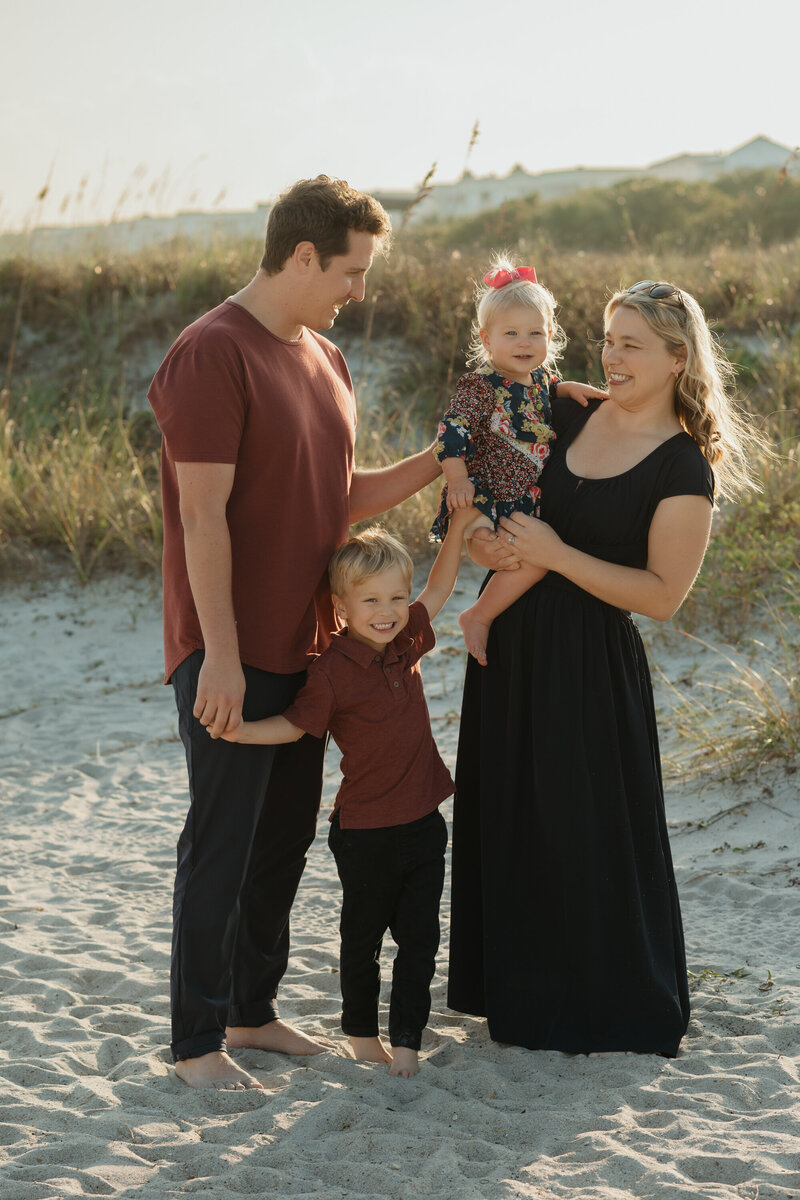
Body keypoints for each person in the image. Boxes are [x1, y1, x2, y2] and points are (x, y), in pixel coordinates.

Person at [147, 176, 442, 1090]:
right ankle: (196, 1041)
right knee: (222, 843)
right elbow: (202, 520)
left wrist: (442, 462)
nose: (360, 289)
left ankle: (249, 1011)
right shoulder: (211, 354)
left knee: (280, 842)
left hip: (311, 647)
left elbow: (337, 499)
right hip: (229, 648)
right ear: (303, 255)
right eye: (351, 270)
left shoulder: (326, 358)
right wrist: (222, 659)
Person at [448, 280, 760, 1056]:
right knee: (515, 818)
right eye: (608, 339)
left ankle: (602, 1005)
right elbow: (487, 475)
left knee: (581, 832)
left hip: (588, 668)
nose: (611, 357)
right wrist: (484, 543)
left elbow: (660, 598)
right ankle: (515, 996)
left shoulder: (684, 469)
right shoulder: (562, 410)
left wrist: (556, 554)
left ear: (677, 358)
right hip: (509, 650)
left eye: (632, 344)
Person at [218, 518, 471, 1077]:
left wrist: (457, 529)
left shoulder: (407, 641)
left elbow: (442, 586)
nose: (388, 610)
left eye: (396, 598)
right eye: (372, 599)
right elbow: (292, 726)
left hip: (425, 824)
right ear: (342, 607)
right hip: (365, 833)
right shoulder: (331, 671)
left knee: (421, 940)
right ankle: (361, 1035)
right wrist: (240, 731)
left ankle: (406, 1040)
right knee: (362, 942)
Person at [428, 256, 606, 665]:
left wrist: (569, 388)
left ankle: (478, 614)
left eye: (535, 333)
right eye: (511, 334)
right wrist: (457, 479)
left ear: (550, 336)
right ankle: (468, 613)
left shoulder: (543, 380)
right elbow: (452, 430)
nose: (525, 343)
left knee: (529, 562)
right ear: (487, 339)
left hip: (521, 498)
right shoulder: (481, 386)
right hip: (486, 493)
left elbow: (551, 388)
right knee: (493, 550)